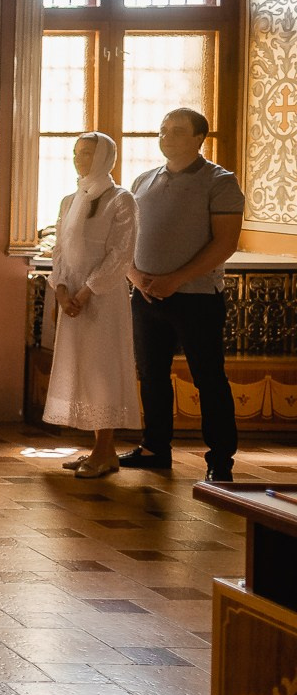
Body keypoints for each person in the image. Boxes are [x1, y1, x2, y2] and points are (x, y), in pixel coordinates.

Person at [121, 108, 245, 483]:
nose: (166, 137)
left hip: (197, 296)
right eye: (162, 130)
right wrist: (136, 277)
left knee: (209, 378)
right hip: (145, 295)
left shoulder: (219, 181)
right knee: (152, 376)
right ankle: (155, 447)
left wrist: (176, 278)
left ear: (198, 139)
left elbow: (225, 243)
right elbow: (125, 238)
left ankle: (220, 460)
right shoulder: (143, 180)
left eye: (176, 131)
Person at [45, 133, 140, 478]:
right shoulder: (70, 200)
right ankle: (96, 449)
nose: (78, 158)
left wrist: (85, 293)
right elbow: (60, 248)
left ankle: (105, 449)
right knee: (81, 367)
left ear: (105, 157)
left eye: (86, 153)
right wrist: (61, 290)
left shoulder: (121, 200)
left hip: (102, 298)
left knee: (103, 369)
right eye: (76, 152)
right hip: (71, 297)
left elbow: (121, 254)